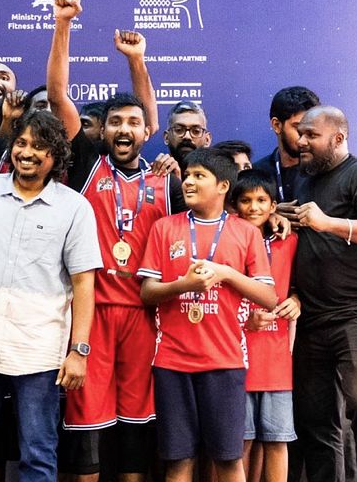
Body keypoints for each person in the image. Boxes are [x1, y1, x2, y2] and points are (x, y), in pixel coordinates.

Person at [45, 0, 180, 482]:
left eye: (134, 123)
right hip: (92, 315)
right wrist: (63, 24)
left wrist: (137, 61)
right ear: (103, 131)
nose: (125, 129)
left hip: (145, 316)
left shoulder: (169, 180)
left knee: (135, 431)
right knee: (86, 428)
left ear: (148, 131)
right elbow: (58, 96)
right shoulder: (85, 164)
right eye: (116, 122)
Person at [0, 109, 100, 480]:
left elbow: (83, 284)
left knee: (38, 457)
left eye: (39, 146)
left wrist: (79, 350)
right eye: (21, 143)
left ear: (56, 155)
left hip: (39, 354)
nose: (27, 152)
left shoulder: (75, 208)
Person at [138, 148, 277, 482]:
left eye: (199, 176)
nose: (188, 181)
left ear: (223, 186)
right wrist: (183, 285)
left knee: (228, 459)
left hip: (225, 363)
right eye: (187, 175)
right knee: (178, 461)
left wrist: (226, 274)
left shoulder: (246, 232)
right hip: (172, 363)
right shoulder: (164, 228)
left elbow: (269, 297)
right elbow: (147, 293)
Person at [277, 106, 357, 482]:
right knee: (317, 423)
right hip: (310, 320)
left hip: (355, 315)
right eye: (301, 133)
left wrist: (327, 223)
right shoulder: (304, 179)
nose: (301, 141)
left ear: (338, 138)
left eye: (312, 135)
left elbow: (325, 225)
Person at [230, 169, 300, 482]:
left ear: (273, 206)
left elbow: (301, 284)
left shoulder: (289, 241)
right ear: (234, 205)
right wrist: (245, 320)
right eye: (246, 200)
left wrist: (297, 300)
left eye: (261, 200)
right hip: (235, 357)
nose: (254, 207)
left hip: (276, 360)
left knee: (277, 439)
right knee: (239, 442)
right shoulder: (227, 242)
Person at [252, 87, 321, 203]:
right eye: (299, 128)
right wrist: (271, 212)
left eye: (311, 129)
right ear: (277, 125)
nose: (305, 138)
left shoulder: (326, 169)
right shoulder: (257, 173)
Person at [163, 101, 211, 173]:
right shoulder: (151, 177)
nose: (187, 136)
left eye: (196, 131)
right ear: (166, 137)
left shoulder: (219, 177)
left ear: (207, 140)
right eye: (179, 130)